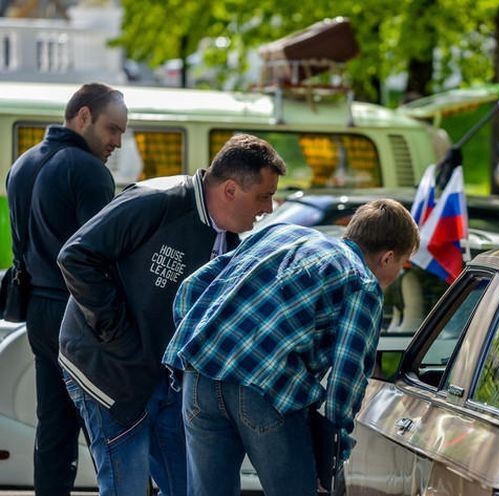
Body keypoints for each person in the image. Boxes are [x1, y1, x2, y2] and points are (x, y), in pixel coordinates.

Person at [57, 134, 286, 495]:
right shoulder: (155, 200)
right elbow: (75, 256)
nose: (269, 208)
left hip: (164, 377)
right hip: (107, 369)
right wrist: (121, 339)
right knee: (126, 487)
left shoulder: (229, 238)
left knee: (189, 487)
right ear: (230, 190)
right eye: (263, 196)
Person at [163, 199, 420, 496]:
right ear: (388, 258)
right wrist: (332, 448)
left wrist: (194, 343)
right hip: (267, 387)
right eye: (402, 265)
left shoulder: (278, 234)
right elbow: (347, 377)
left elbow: (192, 287)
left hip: (200, 374)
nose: (397, 275)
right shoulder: (361, 281)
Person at [5, 82, 127, 496]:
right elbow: (101, 257)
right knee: (110, 425)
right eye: (113, 129)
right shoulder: (88, 171)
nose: (117, 143)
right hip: (79, 313)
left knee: (54, 423)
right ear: (83, 116)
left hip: (37, 308)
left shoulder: (22, 164)